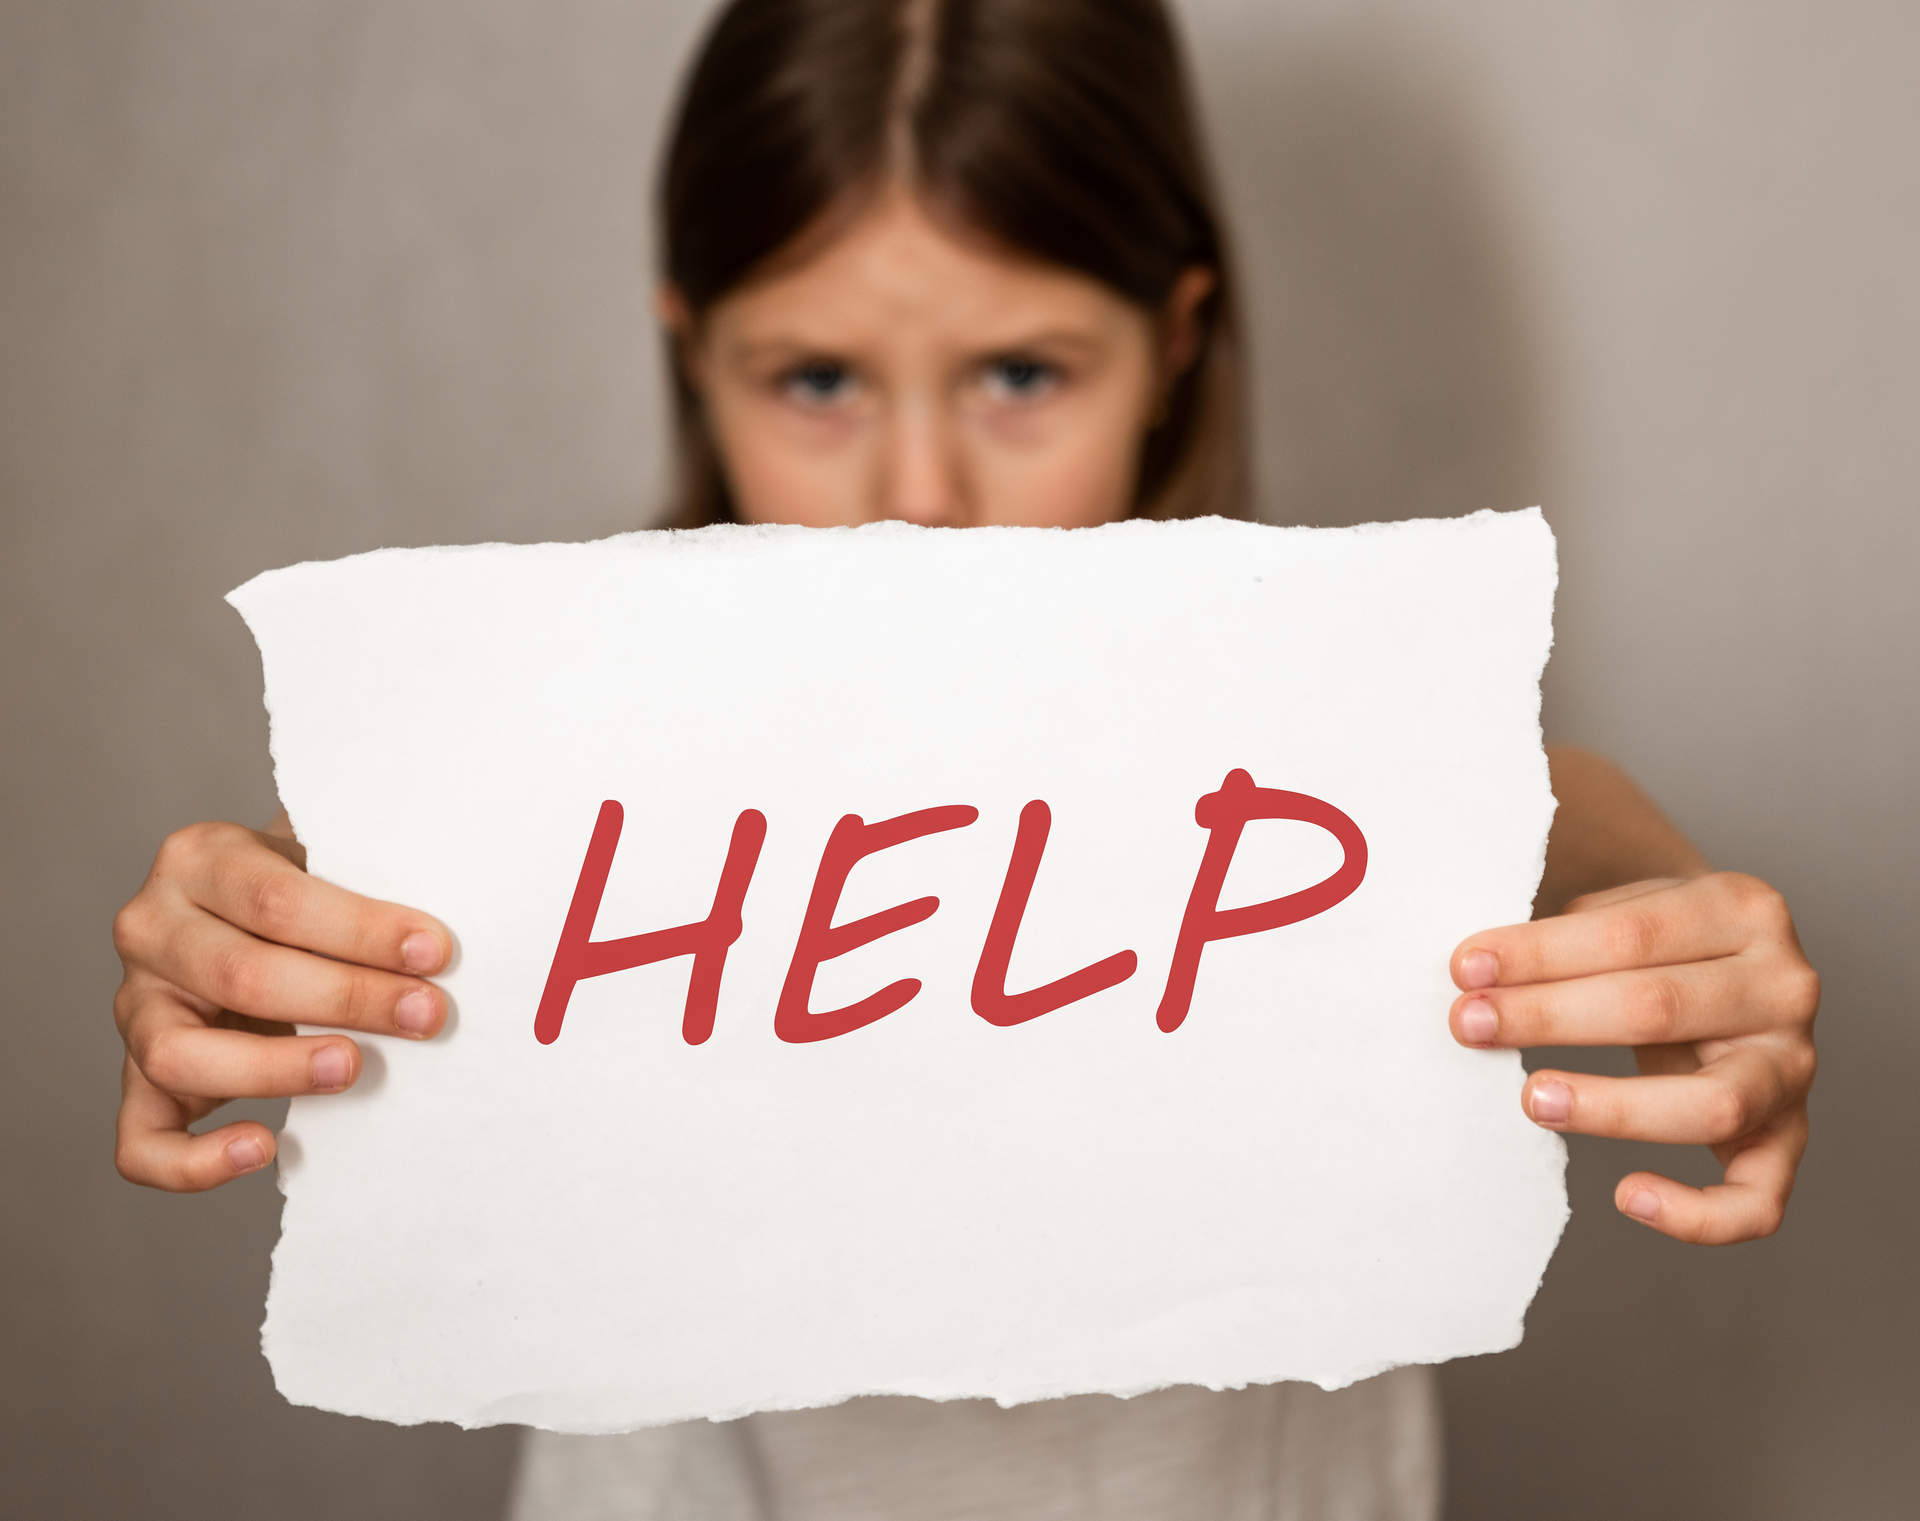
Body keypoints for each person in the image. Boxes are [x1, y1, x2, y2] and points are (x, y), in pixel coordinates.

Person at [107, 1, 1822, 1516]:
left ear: (1171, 343)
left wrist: (1670, 901)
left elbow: (1534, 802)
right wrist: (246, 929)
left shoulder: (1301, 742)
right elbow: (415, 856)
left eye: (1019, 371)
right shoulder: (618, 748)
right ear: (694, 355)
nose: (914, 488)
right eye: (817, 378)